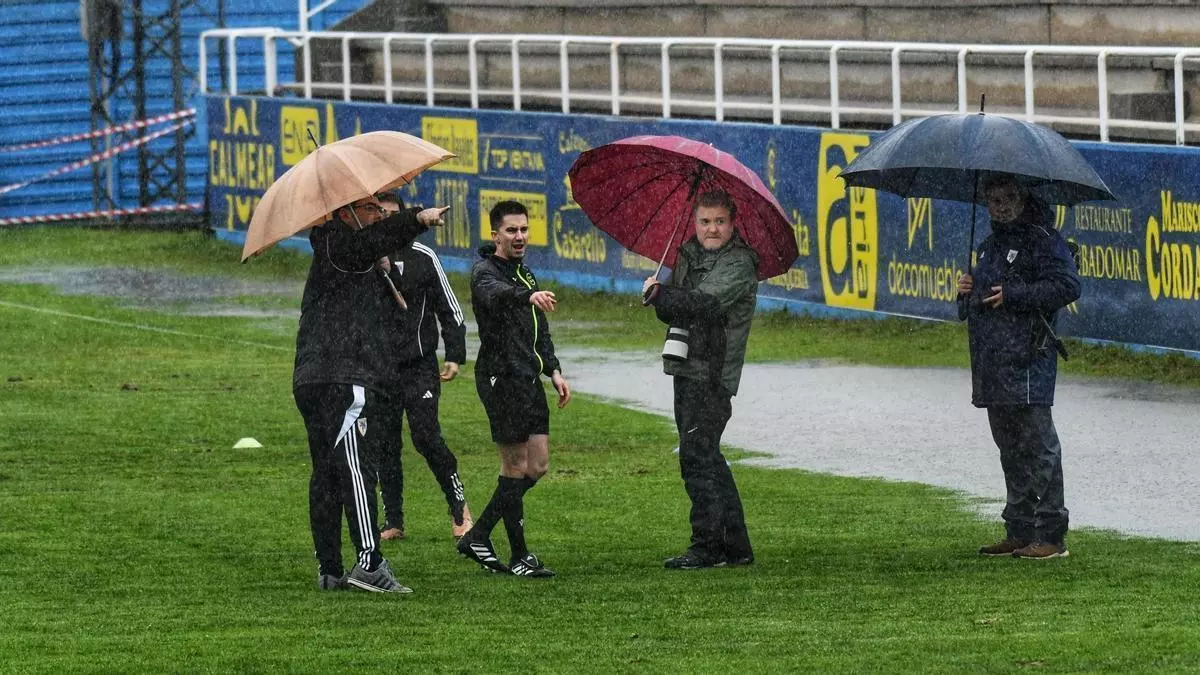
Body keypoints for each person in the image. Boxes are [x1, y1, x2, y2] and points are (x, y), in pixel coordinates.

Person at [293, 194, 448, 593]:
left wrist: (385, 274)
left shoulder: (345, 252)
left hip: (314, 376)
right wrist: (418, 218)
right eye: (371, 208)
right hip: (342, 375)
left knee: (326, 473)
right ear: (346, 213)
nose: (379, 215)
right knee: (356, 469)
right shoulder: (341, 242)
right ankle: (370, 562)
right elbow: (373, 241)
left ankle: (330, 569)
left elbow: (392, 308)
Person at [957, 173, 1081, 560]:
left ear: (1023, 198)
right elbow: (977, 305)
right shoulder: (988, 247)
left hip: (1029, 358)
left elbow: (1067, 286)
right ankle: (1019, 528)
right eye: (995, 201)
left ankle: (1051, 534)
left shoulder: (1044, 240)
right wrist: (966, 292)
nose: (1002, 207)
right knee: (1009, 448)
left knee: (1039, 448)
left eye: (1009, 198)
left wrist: (1015, 294)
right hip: (992, 361)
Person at [641, 189, 759, 570]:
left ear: (733, 224)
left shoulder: (740, 263)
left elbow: (705, 304)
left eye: (720, 221)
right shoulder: (687, 254)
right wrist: (658, 293)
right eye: (705, 221)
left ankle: (707, 546)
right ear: (694, 223)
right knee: (705, 454)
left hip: (713, 374)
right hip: (685, 368)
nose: (712, 229)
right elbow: (672, 311)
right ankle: (736, 546)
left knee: (696, 455)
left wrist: (662, 295)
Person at [456, 199, 571, 577]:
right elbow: (497, 293)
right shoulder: (484, 272)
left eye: (524, 229)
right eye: (511, 230)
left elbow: (540, 329)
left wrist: (553, 370)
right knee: (515, 465)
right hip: (501, 377)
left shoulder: (526, 274)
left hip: (528, 377)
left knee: (537, 466)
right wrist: (527, 296)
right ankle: (520, 556)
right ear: (496, 235)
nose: (519, 236)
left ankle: (479, 534)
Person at [371, 191, 473, 542]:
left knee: (426, 437)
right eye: (379, 214)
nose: (386, 219)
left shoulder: (423, 256)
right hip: (379, 369)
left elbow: (450, 309)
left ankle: (459, 508)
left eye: (392, 214)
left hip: (419, 366)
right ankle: (393, 520)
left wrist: (454, 354)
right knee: (385, 443)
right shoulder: (364, 258)